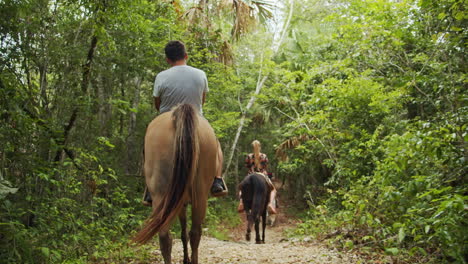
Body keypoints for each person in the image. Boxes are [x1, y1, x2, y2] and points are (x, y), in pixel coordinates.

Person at [142, 40, 227, 206]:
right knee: (215, 145)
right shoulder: (200, 74)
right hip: (196, 117)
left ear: (167, 60)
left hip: (166, 115)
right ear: (186, 56)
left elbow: (157, 104)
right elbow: (202, 101)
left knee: (147, 146)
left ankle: (149, 187)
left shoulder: (161, 76)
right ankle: (217, 180)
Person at [238, 140, 277, 214]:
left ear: (252, 147)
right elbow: (265, 166)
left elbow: (247, 166)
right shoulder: (264, 156)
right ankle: (270, 204)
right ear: (260, 147)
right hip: (262, 174)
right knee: (273, 190)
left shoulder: (249, 156)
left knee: (241, 188)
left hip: (250, 175)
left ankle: (241, 203)